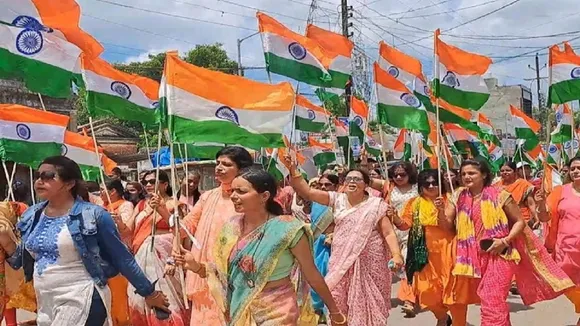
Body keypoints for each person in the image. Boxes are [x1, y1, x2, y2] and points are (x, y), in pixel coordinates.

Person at [0, 156, 169, 326]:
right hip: (46, 301)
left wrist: (150, 293)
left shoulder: (93, 215)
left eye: (48, 176)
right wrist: (6, 239)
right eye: (38, 175)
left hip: (83, 296)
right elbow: (20, 261)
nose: (39, 181)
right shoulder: (32, 215)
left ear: (69, 184)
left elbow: (122, 258)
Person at [174, 169, 344, 325]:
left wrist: (335, 312)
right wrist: (195, 266)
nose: (233, 196)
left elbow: (312, 273)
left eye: (241, 191)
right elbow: (222, 274)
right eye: (232, 191)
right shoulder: (231, 228)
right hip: (240, 310)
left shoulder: (288, 229)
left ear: (264, 196)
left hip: (278, 312)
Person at [439, 158, 574, 326]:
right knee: (492, 303)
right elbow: (448, 228)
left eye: (472, 173)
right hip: (470, 258)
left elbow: (520, 222)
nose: (467, 176)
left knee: (492, 300)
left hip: (500, 254)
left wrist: (504, 241)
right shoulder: (457, 196)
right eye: (463, 173)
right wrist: (440, 211)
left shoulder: (500, 195)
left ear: (484, 175)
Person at [286, 154, 404, 326]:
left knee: (369, 305)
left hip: (370, 263)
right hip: (341, 261)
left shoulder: (375, 205)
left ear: (366, 185)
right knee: (336, 299)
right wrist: (292, 169)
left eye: (357, 179)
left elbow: (388, 233)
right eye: (348, 179)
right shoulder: (337, 200)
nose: (352, 181)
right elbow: (308, 192)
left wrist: (396, 255)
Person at [180, 146, 254, 326]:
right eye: (218, 163)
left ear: (241, 169)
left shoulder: (249, 198)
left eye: (226, 164)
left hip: (234, 274)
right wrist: (167, 215)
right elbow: (187, 225)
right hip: (202, 272)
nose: (219, 167)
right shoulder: (208, 196)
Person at [395, 169, 466, 326]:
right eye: (427, 183)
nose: (432, 186)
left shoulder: (450, 199)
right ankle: (442, 317)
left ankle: (459, 323)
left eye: (435, 182)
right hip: (423, 254)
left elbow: (448, 227)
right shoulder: (415, 203)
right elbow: (405, 225)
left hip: (449, 251)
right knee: (427, 293)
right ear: (421, 186)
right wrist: (394, 217)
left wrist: (441, 210)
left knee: (453, 293)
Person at [128, 170, 188, 325]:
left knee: (169, 299)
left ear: (165, 184)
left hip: (165, 257)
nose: (148, 185)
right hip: (142, 255)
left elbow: (181, 230)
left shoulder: (175, 204)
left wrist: (161, 209)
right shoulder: (141, 205)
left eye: (152, 181)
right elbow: (129, 231)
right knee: (141, 298)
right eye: (145, 182)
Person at [538, 156, 580, 326]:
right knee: (568, 286)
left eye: (579, 168)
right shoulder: (560, 191)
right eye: (573, 169)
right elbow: (544, 217)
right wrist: (540, 204)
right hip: (566, 251)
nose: (576, 171)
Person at [384, 161, 419, 317]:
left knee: (408, 265)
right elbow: (366, 180)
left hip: (412, 231)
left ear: (410, 174)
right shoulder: (388, 187)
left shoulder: (419, 188)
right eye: (395, 174)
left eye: (402, 174)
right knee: (391, 266)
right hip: (391, 232)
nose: (398, 177)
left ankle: (409, 301)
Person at [101, 180, 135, 326]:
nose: (100, 193)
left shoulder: (125, 206)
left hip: (119, 254)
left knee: (119, 293)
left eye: (103, 189)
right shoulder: (101, 207)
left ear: (113, 191)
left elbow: (126, 230)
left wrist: (117, 221)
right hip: (103, 256)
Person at [308, 174, 339, 318]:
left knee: (331, 278)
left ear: (336, 186)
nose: (323, 187)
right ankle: (318, 309)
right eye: (321, 184)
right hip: (317, 245)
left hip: (335, 245)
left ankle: (332, 312)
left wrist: (333, 236)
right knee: (316, 277)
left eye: (327, 185)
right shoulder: (315, 202)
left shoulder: (340, 203)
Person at [497, 162, 540, 233]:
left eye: (508, 170)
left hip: (522, 221)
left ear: (515, 171)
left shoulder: (523, 185)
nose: (505, 172)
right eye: (502, 171)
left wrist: (536, 218)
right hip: (502, 223)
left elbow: (531, 204)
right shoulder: (496, 186)